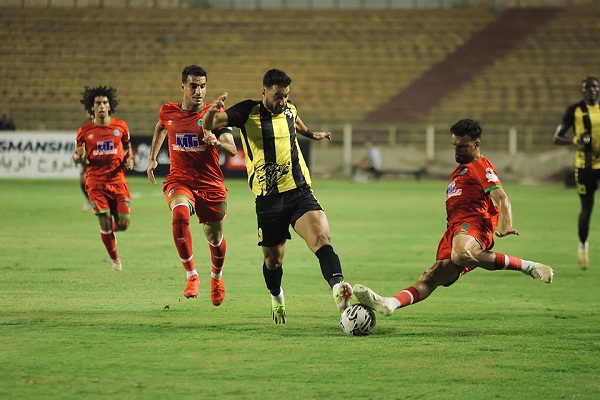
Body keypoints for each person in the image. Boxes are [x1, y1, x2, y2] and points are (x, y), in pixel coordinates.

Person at [353, 119, 554, 317]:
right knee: (432, 276)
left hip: (474, 224)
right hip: (455, 228)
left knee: (461, 254)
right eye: (455, 146)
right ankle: (391, 303)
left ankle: (529, 266)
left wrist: (507, 224)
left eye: (463, 146)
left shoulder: (480, 165)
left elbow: (501, 196)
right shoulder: (459, 170)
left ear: (476, 144)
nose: (457, 151)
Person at [202, 68, 353, 324]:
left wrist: (310, 134)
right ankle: (276, 295)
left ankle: (338, 288)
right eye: (277, 96)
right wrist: (211, 111)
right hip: (268, 200)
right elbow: (210, 124)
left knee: (322, 239)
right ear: (264, 92)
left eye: (285, 96)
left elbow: (296, 120)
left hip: (299, 191)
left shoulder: (289, 108)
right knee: (273, 261)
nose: (281, 101)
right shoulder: (246, 112)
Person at [147, 65, 237, 305]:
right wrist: (153, 157)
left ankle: (216, 277)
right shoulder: (168, 111)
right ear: (183, 87)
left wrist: (215, 141)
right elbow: (160, 126)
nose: (199, 91)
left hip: (210, 183)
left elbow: (233, 148)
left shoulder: (214, 114)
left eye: (203, 86)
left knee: (215, 238)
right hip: (180, 179)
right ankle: (191, 275)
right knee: (179, 215)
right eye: (194, 86)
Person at [72, 86, 134, 271]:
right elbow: (78, 156)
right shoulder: (84, 131)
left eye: (104, 103)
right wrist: (77, 157)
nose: (101, 106)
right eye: (97, 103)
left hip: (118, 181)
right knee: (104, 219)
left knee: (123, 224)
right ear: (92, 107)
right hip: (96, 182)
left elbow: (128, 148)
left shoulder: (120, 126)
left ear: (110, 106)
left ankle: (106, 233)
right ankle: (115, 260)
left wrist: (129, 159)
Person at [553, 76, 600, 270]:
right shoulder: (575, 111)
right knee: (587, 209)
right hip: (585, 167)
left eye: (595, 87)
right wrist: (576, 140)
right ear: (582, 91)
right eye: (587, 88)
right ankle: (582, 244)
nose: (591, 91)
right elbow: (556, 138)